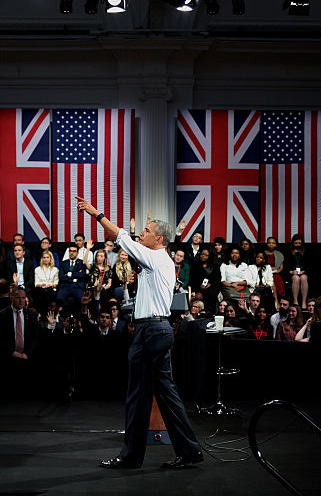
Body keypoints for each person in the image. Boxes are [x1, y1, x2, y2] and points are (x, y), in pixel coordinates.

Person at [75, 195, 202, 470]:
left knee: (138, 394)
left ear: (159, 240)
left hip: (151, 333)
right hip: (157, 330)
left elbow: (121, 236)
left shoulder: (156, 256)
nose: (141, 233)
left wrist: (95, 214)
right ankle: (189, 450)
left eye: (146, 231)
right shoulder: (157, 261)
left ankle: (131, 456)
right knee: (166, 394)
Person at [286, 234, 310, 309]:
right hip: (292, 273)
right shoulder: (288, 251)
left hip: (303, 272)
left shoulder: (306, 251)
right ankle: (295, 301)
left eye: (299, 243)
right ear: (293, 243)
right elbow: (285, 265)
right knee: (296, 278)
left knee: (303, 278)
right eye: (296, 243)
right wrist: (291, 271)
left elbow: (310, 264)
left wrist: (304, 271)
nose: (297, 245)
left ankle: (303, 302)